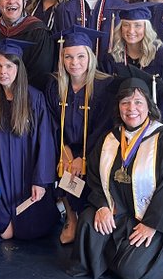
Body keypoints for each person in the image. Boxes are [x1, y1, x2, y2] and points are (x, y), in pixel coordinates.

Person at [66, 74, 163, 279]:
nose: (132, 108)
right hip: (120, 215)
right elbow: (94, 177)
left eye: (138, 102)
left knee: (132, 269)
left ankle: (121, 258)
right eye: (125, 102)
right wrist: (102, 205)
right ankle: (115, 255)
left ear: (149, 106)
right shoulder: (109, 139)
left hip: (157, 221)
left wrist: (153, 224)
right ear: (118, 107)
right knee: (87, 224)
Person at [0, 39, 59, 240]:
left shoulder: (34, 98)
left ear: (18, 67)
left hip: (27, 174)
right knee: (4, 233)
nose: (3, 71)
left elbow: (46, 141)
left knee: (28, 231)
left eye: (8, 66)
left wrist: (40, 181)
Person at [45, 26, 115, 244]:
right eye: (68, 57)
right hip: (64, 146)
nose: (74, 62)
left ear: (90, 57)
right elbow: (52, 122)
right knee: (60, 166)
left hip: (94, 149)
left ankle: (87, 216)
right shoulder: (55, 84)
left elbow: (104, 127)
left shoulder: (104, 85)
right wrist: (64, 149)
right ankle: (71, 218)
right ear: (62, 59)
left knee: (88, 172)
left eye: (80, 56)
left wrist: (82, 156)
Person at [104, 5, 163, 137]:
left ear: (147, 28)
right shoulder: (113, 59)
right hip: (124, 129)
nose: (131, 30)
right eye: (126, 25)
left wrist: (156, 129)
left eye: (137, 25)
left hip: (158, 129)